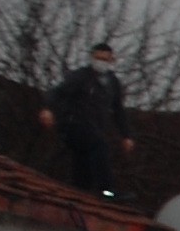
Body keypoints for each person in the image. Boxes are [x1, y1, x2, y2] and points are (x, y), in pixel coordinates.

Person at [38, 41, 131, 199]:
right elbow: (58, 91)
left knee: (84, 162)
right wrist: (47, 108)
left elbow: (118, 110)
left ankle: (80, 192)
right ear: (92, 58)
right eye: (98, 58)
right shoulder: (82, 76)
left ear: (111, 61)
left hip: (93, 128)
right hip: (73, 124)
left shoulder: (112, 83)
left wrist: (126, 135)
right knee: (98, 145)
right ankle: (107, 190)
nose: (101, 63)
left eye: (105, 59)